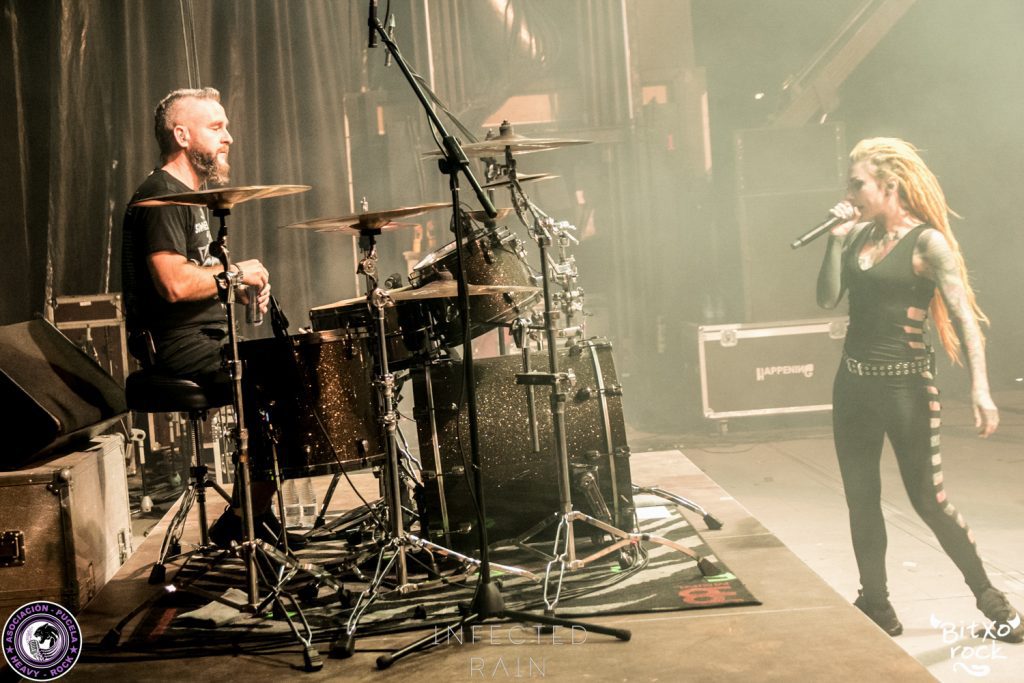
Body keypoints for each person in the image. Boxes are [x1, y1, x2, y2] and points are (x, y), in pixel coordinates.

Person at [816, 137, 1022, 643]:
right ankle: (876, 603)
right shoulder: (856, 236)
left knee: (928, 499)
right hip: (853, 387)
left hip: (906, 388)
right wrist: (834, 240)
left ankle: (993, 600)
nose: (850, 193)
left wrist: (980, 388)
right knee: (861, 499)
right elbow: (826, 298)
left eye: (858, 184)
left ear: (889, 185)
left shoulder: (928, 243)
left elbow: (964, 317)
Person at [121, 87, 278, 548]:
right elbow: (173, 284)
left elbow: (199, 276)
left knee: (288, 367)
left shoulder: (189, 196)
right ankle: (246, 517)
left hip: (203, 335)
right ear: (182, 135)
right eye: (216, 127)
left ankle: (254, 512)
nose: (228, 136)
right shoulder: (161, 196)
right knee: (276, 383)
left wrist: (236, 288)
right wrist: (236, 273)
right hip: (176, 345)